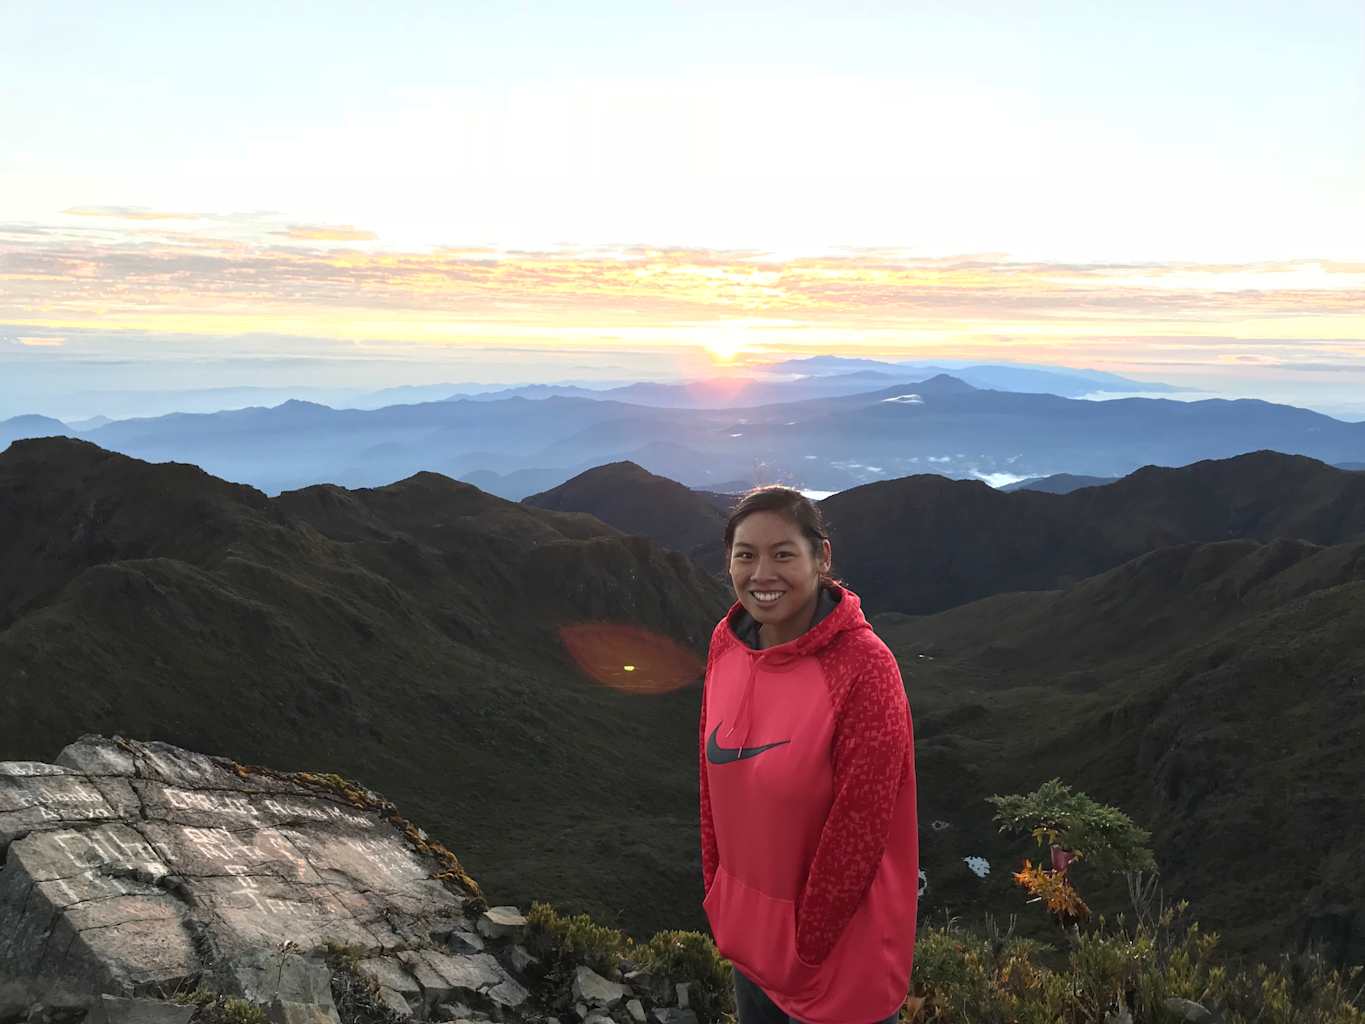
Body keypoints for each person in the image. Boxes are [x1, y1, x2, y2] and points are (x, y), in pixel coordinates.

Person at [698, 485, 918, 1024]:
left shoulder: (866, 668)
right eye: (745, 554)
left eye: (783, 554)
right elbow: (711, 787)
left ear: (821, 557)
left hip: (837, 958)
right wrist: (720, 896)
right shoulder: (726, 644)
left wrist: (805, 946)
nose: (761, 573)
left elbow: (860, 827)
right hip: (750, 943)